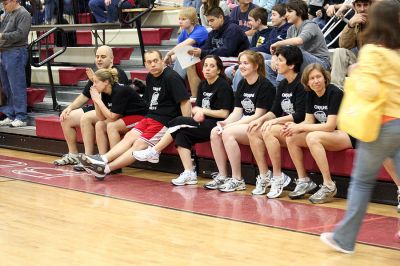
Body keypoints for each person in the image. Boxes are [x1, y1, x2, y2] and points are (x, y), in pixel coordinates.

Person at [320, 0, 400, 253]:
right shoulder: (397, 52)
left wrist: (355, 73)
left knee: (362, 183)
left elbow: (369, 90)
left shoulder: (373, 52)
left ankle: (344, 239)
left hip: (383, 124)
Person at [78, 50, 192, 180]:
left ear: (162, 61)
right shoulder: (150, 77)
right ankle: (102, 159)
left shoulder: (171, 77)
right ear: (145, 64)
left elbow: (185, 101)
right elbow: (149, 101)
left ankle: (105, 169)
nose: (153, 64)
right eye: (149, 62)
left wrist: (185, 124)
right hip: (150, 117)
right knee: (129, 137)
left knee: (138, 144)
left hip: (164, 120)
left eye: (155, 61)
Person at [132, 55, 234, 185]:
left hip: (218, 124)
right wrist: (198, 112)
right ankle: (189, 173)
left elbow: (224, 113)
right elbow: (199, 108)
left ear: (219, 70)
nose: (207, 69)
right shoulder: (203, 85)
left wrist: (203, 111)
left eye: (212, 66)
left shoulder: (223, 86)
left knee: (178, 121)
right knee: (181, 134)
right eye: (205, 66)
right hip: (204, 123)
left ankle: (155, 151)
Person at [204, 50, 275, 192]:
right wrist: (226, 122)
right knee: (215, 131)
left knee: (227, 133)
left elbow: (258, 115)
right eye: (240, 63)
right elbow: (237, 111)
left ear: (255, 66)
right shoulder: (242, 83)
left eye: (245, 63)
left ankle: (237, 179)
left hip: (259, 125)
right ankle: (223, 176)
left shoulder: (265, 85)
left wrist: (231, 125)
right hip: (244, 122)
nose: (241, 66)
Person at [285, 63, 354, 203]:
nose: (316, 81)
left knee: (312, 137)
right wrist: (294, 127)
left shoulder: (335, 93)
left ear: (325, 78)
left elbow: (330, 126)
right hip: (331, 134)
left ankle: (328, 185)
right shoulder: (310, 94)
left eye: (318, 77)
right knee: (291, 137)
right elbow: (309, 121)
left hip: (347, 134)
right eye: (312, 78)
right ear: (307, 82)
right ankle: (304, 180)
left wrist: (301, 128)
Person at [53, 46, 129, 167]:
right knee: (66, 117)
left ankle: (87, 159)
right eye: (97, 57)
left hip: (113, 110)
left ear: (111, 59)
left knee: (87, 117)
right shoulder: (98, 74)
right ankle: (73, 154)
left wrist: (95, 83)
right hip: (99, 108)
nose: (99, 59)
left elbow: (118, 102)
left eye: (103, 57)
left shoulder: (118, 74)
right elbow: (84, 95)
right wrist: (70, 107)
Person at [247, 45, 306, 198]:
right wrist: (260, 120)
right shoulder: (282, 84)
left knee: (269, 130)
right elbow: (274, 111)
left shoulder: (302, 84)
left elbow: (300, 115)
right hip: (285, 125)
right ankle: (265, 175)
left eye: (280, 60)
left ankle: (278, 177)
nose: (276, 63)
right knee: (253, 130)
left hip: (300, 127)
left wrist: (273, 122)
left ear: (292, 65)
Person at [266, 0, 330, 87]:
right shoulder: (291, 29)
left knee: (295, 52)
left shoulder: (311, 25)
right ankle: (278, 90)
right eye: (286, 12)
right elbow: (284, 50)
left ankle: (284, 88)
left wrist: (278, 43)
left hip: (321, 63)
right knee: (266, 64)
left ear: (300, 12)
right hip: (299, 61)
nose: (286, 15)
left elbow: (299, 41)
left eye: (290, 11)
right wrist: (274, 57)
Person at [186, 7, 249, 92]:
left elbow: (227, 51)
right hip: (222, 58)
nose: (210, 24)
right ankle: (196, 97)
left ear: (221, 17)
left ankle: (213, 92)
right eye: (208, 21)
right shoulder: (213, 32)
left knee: (210, 63)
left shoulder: (233, 29)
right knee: (190, 61)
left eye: (212, 20)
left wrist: (203, 52)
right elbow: (205, 48)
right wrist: (197, 52)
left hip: (237, 59)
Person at [90, 68, 147, 156]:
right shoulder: (105, 92)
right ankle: (102, 158)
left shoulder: (119, 91)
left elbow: (112, 117)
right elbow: (101, 118)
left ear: (106, 82)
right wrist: (95, 100)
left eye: (96, 82)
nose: (94, 85)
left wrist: (98, 101)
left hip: (142, 117)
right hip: (127, 116)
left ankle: (113, 159)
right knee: (99, 124)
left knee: (112, 126)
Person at [0, 0, 31, 128]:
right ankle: (11, 114)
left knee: (17, 86)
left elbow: (21, 34)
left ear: (14, 1)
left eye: (6, 3)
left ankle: (21, 116)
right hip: (4, 52)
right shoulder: (8, 13)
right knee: (7, 87)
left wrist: (2, 36)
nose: (4, 6)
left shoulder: (24, 14)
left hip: (16, 52)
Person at [163, 7, 208, 94]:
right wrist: (169, 60)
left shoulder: (200, 30)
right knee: (165, 64)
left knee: (184, 55)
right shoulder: (184, 32)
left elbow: (182, 46)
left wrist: (168, 54)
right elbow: (179, 51)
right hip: (190, 58)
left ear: (192, 20)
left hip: (202, 57)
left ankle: (173, 88)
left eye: (183, 19)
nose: (180, 21)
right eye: (179, 19)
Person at [330, 0, 371, 89]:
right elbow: (343, 45)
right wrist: (350, 24)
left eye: (365, 5)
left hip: (377, 63)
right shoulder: (356, 21)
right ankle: (336, 91)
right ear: (354, 7)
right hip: (360, 63)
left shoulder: (380, 19)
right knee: (340, 51)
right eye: (359, 5)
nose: (362, 9)